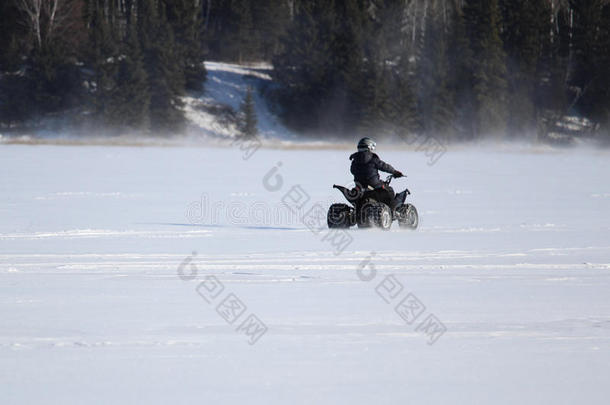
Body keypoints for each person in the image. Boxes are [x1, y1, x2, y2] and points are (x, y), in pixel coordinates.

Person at [350, 137, 404, 209]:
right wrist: (394, 172)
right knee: (389, 190)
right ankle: (392, 210)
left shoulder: (355, 160)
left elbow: (352, 171)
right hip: (374, 186)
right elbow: (385, 167)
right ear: (370, 147)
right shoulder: (373, 159)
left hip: (359, 187)